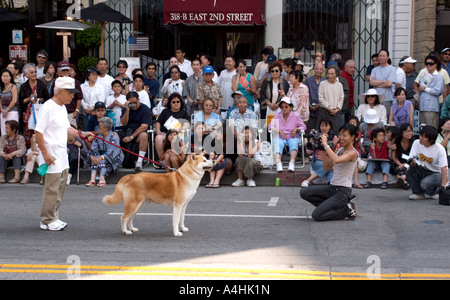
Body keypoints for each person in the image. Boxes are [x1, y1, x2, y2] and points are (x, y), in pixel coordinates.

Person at [35, 77, 93, 231]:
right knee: (51, 189)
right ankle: (46, 220)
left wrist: (82, 133)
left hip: (61, 153)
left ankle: (54, 216)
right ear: (60, 92)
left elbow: (68, 129)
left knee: (60, 187)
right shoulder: (47, 107)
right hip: (51, 154)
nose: (72, 96)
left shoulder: (62, 108)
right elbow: (38, 132)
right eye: (70, 93)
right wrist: (45, 154)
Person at [300, 123, 358, 221]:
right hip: (332, 188)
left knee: (317, 216)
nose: (341, 138)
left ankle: (346, 210)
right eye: (340, 135)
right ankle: (331, 207)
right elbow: (327, 167)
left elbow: (336, 160)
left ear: (352, 137)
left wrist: (326, 144)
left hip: (342, 192)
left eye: (344, 135)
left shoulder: (353, 153)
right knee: (304, 192)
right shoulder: (340, 149)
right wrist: (322, 150)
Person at [406, 126, 448, 200]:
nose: (421, 138)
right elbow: (411, 158)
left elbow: (444, 167)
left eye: (424, 137)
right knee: (408, 170)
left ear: (431, 140)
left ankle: (434, 192)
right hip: (423, 169)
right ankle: (418, 193)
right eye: (421, 135)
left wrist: (443, 185)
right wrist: (411, 163)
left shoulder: (439, 148)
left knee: (425, 183)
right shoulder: (416, 143)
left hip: (436, 173)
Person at [269, 97, 306, 172]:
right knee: (278, 143)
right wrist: (279, 131)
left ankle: (292, 163)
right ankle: (278, 163)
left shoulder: (295, 116)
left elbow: (303, 126)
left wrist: (296, 129)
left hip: (292, 136)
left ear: (290, 107)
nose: (284, 108)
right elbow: (270, 127)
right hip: (280, 137)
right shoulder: (277, 116)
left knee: (294, 142)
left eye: (286, 106)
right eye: (282, 107)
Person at [119, 91, 152, 172]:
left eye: (135, 102)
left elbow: (144, 126)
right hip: (126, 130)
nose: (133, 105)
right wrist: (127, 110)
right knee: (114, 135)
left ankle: (139, 162)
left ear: (139, 99)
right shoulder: (126, 108)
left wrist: (131, 137)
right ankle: (118, 159)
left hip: (138, 132)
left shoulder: (145, 109)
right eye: (131, 103)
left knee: (144, 135)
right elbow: (123, 123)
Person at [86, 117, 123, 187]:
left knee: (103, 162)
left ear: (106, 128)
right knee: (94, 160)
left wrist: (101, 157)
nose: (98, 128)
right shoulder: (98, 137)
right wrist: (92, 157)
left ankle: (102, 179)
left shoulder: (113, 138)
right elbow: (94, 149)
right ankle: (92, 179)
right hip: (100, 155)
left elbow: (112, 152)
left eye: (100, 127)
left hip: (112, 157)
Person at [302, 117, 338, 187]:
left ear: (330, 127)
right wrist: (311, 138)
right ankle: (308, 180)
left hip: (328, 161)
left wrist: (325, 142)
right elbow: (308, 152)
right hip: (317, 161)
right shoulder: (316, 136)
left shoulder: (333, 137)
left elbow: (333, 152)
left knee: (329, 168)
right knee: (329, 168)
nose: (323, 128)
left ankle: (330, 185)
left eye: (326, 126)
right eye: (322, 126)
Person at [19, 63, 49, 146]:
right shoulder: (24, 86)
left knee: (39, 131)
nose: (34, 74)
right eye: (31, 72)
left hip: (39, 111)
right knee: (28, 132)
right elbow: (21, 101)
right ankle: (29, 151)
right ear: (26, 75)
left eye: (35, 72)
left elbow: (47, 99)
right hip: (27, 113)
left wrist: (38, 99)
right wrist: (30, 98)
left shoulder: (41, 84)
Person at [155, 93, 189, 165]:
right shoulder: (165, 111)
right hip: (166, 133)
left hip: (179, 133)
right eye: (173, 102)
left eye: (178, 102)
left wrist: (181, 128)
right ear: (170, 103)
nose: (176, 104)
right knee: (158, 138)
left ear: (180, 102)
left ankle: (181, 158)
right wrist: (158, 131)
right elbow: (158, 122)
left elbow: (187, 124)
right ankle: (161, 159)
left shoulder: (183, 112)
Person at [413, 55, 445, 129]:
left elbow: (438, 91)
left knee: (431, 129)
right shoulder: (425, 74)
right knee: (422, 129)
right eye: (427, 63)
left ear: (436, 64)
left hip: (431, 107)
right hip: (422, 106)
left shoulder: (439, 77)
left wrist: (425, 89)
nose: (428, 65)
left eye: (431, 64)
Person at [50, 61, 83, 129]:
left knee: (71, 135)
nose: (65, 72)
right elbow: (52, 97)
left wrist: (76, 111)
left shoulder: (74, 82)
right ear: (58, 72)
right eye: (63, 70)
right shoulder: (55, 83)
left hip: (70, 113)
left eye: (67, 70)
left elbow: (79, 98)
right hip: (58, 113)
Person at [369, 49, 396, 121]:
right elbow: (371, 83)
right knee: (375, 118)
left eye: (383, 56)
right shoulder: (374, 70)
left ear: (387, 58)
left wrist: (376, 83)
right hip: (376, 98)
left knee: (385, 119)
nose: (381, 57)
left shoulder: (392, 69)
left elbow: (389, 84)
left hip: (387, 98)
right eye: (380, 56)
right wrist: (383, 81)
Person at [318, 65, 344, 131]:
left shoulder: (339, 85)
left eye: (332, 74)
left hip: (336, 113)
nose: (330, 76)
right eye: (328, 74)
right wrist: (329, 108)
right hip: (325, 111)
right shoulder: (323, 84)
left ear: (336, 74)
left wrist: (337, 109)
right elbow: (320, 98)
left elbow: (341, 98)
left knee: (336, 131)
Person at [304, 62, 326, 132]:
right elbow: (305, 93)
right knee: (309, 129)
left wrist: (319, 104)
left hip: (321, 108)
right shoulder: (308, 80)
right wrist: (309, 104)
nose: (318, 71)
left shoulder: (325, 81)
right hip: (309, 108)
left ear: (323, 71)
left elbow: (326, 95)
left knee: (319, 128)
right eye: (317, 69)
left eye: (320, 69)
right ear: (313, 70)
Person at [391, 123, 414, 190]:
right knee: (399, 168)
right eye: (406, 131)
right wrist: (400, 164)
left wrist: (406, 164)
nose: (409, 133)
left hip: (409, 163)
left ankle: (403, 181)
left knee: (409, 168)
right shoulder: (396, 142)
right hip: (398, 163)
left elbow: (414, 157)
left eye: (410, 131)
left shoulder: (414, 143)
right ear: (401, 133)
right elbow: (394, 156)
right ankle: (405, 182)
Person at [1, 69, 19, 136]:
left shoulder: (13, 87)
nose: (5, 78)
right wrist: (2, 110)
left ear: (10, 77)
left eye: (7, 76)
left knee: (13, 130)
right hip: (3, 113)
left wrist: (7, 110)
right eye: (3, 76)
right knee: (4, 130)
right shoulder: (1, 87)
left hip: (12, 112)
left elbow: (14, 100)